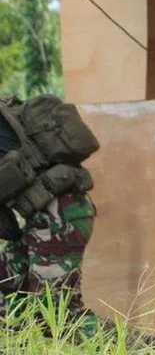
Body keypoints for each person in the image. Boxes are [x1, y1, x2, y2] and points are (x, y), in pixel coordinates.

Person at [0, 94, 102, 338]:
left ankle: (150, 349)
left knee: (59, 318)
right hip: (45, 216)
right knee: (7, 297)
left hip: (59, 217)